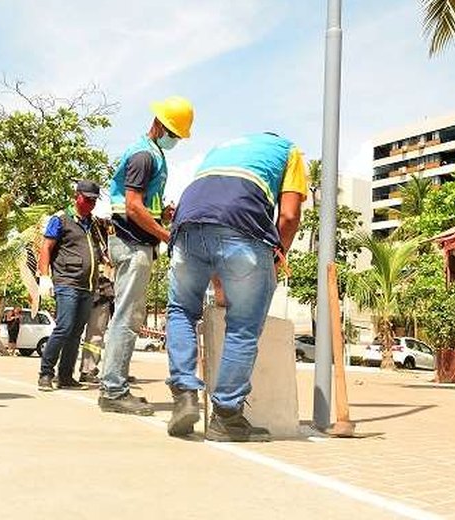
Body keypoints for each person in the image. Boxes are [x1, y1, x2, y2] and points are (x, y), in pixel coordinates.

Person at [164, 132, 307, 441]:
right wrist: (275, 257)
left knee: (181, 311)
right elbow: (289, 215)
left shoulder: (220, 147)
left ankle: (185, 395)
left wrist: (220, 281)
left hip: (187, 225)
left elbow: (210, 223)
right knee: (243, 325)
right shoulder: (289, 151)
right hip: (242, 226)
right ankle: (226, 416)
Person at [99, 96, 194, 415]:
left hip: (136, 242)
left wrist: (163, 214)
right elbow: (133, 207)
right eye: (176, 134)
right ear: (161, 126)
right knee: (127, 317)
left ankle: (114, 385)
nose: (177, 140)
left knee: (128, 316)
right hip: (132, 243)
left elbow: (145, 206)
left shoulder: (152, 154)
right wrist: (167, 235)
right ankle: (113, 390)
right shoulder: (143, 156)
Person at [37, 180, 106, 391]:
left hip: (87, 285)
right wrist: (45, 277)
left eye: (94, 200)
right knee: (64, 327)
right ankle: (46, 373)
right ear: (77, 196)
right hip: (67, 282)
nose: (91, 204)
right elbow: (46, 247)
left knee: (76, 332)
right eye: (87, 199)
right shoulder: (61, 219)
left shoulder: (93, 224)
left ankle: (65, 375)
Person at [78, 268, 114, 384]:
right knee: (71, 332)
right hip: (84, 289)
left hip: (100, 294)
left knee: (95, 336)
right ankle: (70, 370)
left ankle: (88, 369)